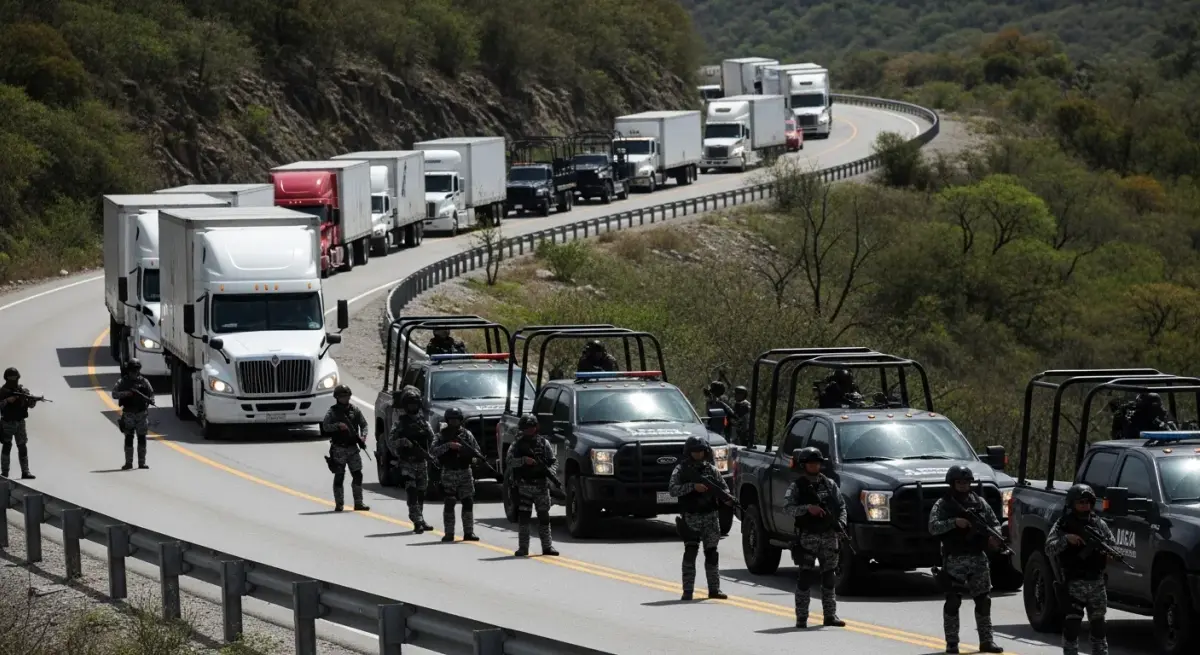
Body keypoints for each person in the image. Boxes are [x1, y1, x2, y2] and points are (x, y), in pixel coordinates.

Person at [928, 465, 1004, 654]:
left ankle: (987, 641)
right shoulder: (943, 504)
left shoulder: (980, 503)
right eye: (959, 482)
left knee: (984, 600)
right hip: (955, 558)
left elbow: (994, 523)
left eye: (966, 482)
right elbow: (933, 526)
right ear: (952, 483)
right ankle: (952, 642)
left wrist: (995, 536)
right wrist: (954, 522)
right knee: (953, 600)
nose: (963, 485)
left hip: (978, 557)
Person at [1046, 484, 1114, 655]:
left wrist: (1106, 551)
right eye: (1080, 502)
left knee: (1099, 625)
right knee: (1072, 624)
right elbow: (1049, 548)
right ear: (1072, 504)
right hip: (1073, 582)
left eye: (1087, 502)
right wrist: (1066, 539)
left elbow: (1111, 544)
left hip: (1096, 582)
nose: (1085, 506)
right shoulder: (1063, 524)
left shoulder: (1099, 524)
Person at [783, 447, 846, 629]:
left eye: (817, 463)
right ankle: (802, 617)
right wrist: (807, 509)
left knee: (829, 576)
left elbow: (841, 506)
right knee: (805, 577)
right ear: (804, 465)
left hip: (828, 536)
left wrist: (841, 524)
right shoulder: (797, 486)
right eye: (811, 463)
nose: (814, 466)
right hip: (808, 537)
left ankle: (830, 615)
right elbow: (787, 508)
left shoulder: (829, 485)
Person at [667, 436, 730, 601]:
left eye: (701, 451)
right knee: (691, 551)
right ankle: (688, 590)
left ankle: (714, 589)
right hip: (691, 517)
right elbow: (672, 489)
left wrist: (727, 498)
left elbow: (724, 489)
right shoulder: (681, 470)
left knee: (712, 553)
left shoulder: (712, 470)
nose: (698, 454)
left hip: (710, 517)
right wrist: (692, 487)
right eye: (695, 451)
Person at [505, 413, 559, 557]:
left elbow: (553, 461)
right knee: (524, 517)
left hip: (541, 486)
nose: (529, 430)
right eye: (526, 427)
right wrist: (523, 461)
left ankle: (547, 546)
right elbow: (509, 461)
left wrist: (550, 473)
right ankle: (523, 547)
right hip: (524, 486)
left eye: (532, 427)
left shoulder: (544, 443)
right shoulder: (516, 445)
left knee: (544, 517)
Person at [429, 407, 481, 542]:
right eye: (451, 420)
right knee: (449, 501)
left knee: (468, 501)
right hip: (449, 472)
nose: (454, 422)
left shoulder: (467, 434)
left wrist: (468, 454)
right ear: (447, 420)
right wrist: (448, 446)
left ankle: (469, 532)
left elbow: (477, 450)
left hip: (465, 471)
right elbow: (433, 452)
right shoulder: (440, 435)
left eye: (456, 420)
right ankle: (449, 533)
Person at [388, 387, 435, 533]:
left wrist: (431, 454)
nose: (412, 407)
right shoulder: (400, 424)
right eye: (410, 405)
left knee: (421, 493)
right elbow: (391, 442)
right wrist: (403, 442)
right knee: (412, 492)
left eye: (415, 405)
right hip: (407, 463)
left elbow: (433, 440)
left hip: (422, 462)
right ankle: (417, 520)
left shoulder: (424, 423)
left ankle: (420, 518)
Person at [321, 385, 370, 512]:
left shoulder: (355, 410)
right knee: (339, 476)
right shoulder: (333, 411)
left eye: (347, 396)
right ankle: (339, 504)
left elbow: (364, 424)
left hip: (353, 448)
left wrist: (363, 436)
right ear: (337, 398)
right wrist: (338, 426)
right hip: (339, 449)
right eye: (342, 397)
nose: (345, 398)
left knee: (357, 474)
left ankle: (358, 502)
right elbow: (325, 426)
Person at [110, 359, 155, 471]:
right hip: (129, 414)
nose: (134, 373)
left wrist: (150, 400)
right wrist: (127, 394)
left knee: (142, 438)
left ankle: (142, 462)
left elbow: (151, 393)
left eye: (136, 371)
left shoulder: (144, 381)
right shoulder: (122, 382)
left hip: (141, 414)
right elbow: (114, 394)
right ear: (129, 371)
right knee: (129, 438)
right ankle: (128, 463)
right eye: (132, 371)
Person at [0, 367, 38, 479]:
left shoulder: (22, 391)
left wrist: (32, 401)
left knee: (22, 446)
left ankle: (25, 471)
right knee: (7, 445)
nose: (13, 379)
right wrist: (7, 401)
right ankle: (5, 472)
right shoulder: (3, 391)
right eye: (11, 377)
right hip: (7, 422)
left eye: (15, 377)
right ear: (6, 378)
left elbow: (30, 405)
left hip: (20, 422)